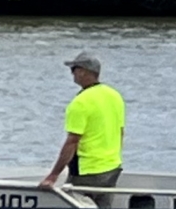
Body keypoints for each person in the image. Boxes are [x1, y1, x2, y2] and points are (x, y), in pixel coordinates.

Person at [39, 51, 125, 190]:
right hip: (112, 168)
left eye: (74, 69)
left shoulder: (81, 102)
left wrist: (53, 176)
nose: (72, 73)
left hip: (87, 171)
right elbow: (120, 132)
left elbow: (72, 141)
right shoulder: (115, 96)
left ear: (82, 72)